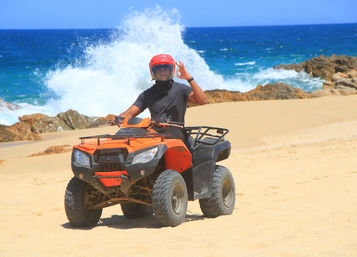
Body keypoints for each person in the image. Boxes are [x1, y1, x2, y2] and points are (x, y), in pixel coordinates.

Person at [112, 54, 207, 140]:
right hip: (154, 134)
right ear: (153, 72)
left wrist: (189, 78)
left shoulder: (181, 89)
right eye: (159, 70)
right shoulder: (147, 94)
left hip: (176, 134)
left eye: (165, 69)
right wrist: (118, 118)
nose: (162, 72)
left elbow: (202, 101)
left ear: (171, 70)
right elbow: (129, 113)